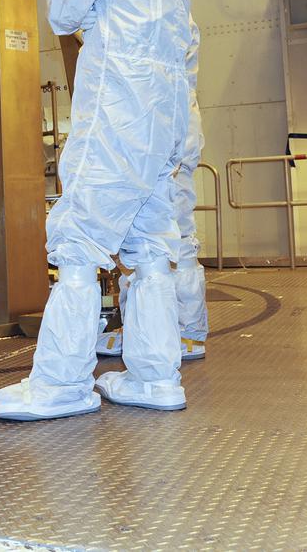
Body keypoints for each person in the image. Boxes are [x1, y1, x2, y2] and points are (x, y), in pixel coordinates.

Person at [0, 0, 195, 422]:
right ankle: (156, 376)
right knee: (153, 247)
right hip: (165, 119)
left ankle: (60, 384)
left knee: (79, 243)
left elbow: (63, 10)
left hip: (118, 113)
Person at [97, 21, 209, 362]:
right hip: (163, 143)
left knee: (169, 242)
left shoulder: (164, 24)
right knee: (153, 243)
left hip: (167, 147)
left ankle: (182, 332)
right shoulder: (168, 20)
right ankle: (149, 328)